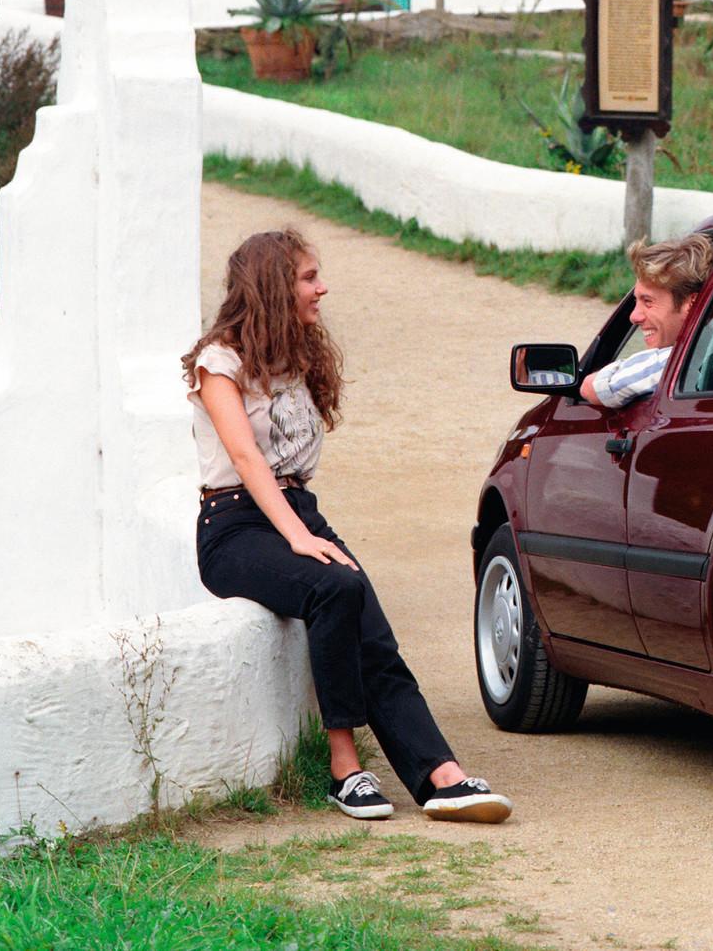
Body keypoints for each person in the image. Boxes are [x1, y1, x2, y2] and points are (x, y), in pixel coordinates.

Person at [183, 228, 512, 824]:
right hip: (234, 526)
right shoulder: (218, 362)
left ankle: (440, 775)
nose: (322, 288)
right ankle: (345, 768)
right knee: (334, 587)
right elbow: (247, 459)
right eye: (309, 278)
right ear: (274, 285)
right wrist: (297, 537)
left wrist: (302, 527)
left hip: (296, 511)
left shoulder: (295, 356)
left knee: (371, 628)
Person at [580, 233, 713, 408]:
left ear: (692, 304)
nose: (634, 316)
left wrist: (630, 366)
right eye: (636, 302)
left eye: (648, 301)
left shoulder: (666, 365)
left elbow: (590, 389)